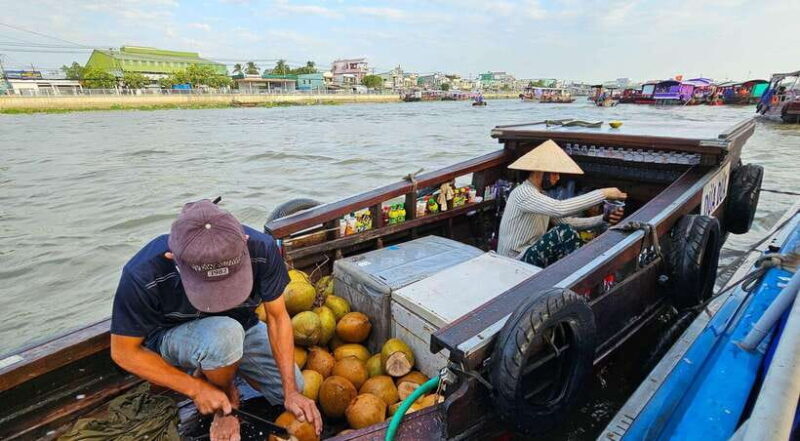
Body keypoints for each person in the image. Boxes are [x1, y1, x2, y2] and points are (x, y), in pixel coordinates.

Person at [109, 200, 322, 441]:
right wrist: (196, 390)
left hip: (242, 327)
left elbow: (277, 317)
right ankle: (225, 391)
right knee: (224, 335)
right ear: (173, 257)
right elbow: (123, 352)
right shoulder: (143, 272)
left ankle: (219, 368)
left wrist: (291, 392)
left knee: (291, 386)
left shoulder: (262, 249)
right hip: (173, 335)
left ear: (245, 242)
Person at [497, 140, 627, 267]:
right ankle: (582, 272)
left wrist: (603, 218)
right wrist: (603, 193)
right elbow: (559, 208)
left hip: (529, 253)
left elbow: (567, 222)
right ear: (539, 172)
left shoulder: (541, 194)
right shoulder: (523, 193)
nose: (558, 178)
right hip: (513, 260)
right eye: (554, 173)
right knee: (562, 232)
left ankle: (582, 270)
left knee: (566, 229)